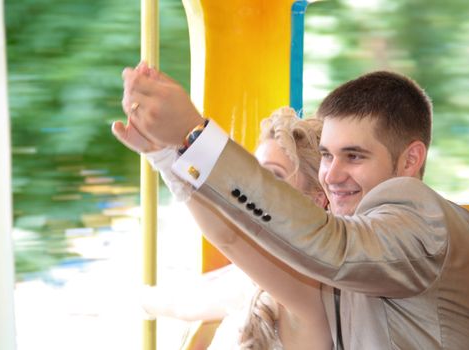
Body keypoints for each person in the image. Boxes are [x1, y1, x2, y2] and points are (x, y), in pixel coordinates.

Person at [116, 65, 469, 349]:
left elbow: (333, 246)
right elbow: (233, 238)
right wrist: (167, 155)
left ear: (410, 159)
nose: (332, 175)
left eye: (354, 156)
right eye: (326, 156)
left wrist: (196, 134)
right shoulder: (346, 261)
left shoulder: (422, 221)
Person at [126, 107, 331, 349]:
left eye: (273, 178)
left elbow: (228, 237)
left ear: (316, 200)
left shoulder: (311, 287)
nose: (255, 189)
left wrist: (166, 156)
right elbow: (184, 303)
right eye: (254, 175)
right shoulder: (254, 276)